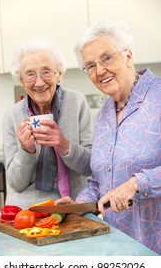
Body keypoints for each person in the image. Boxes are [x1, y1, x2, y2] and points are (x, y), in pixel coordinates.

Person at [56, 21, 161, 255]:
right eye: (90, 66)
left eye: (107, 58)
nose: (100, 70)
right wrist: (79, 205)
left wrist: (136, 184)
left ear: (128, 56)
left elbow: (131, 182)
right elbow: (100, 181)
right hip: (117, 249)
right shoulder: (104, 112)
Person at [3, 38, 93, 209]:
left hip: (72, 206)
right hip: (27, 211)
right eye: (30, 74)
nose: (39, 82)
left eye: (46, 72)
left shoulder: (77, 102)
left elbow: (90, 166)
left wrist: (64, 145)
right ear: (21, 80)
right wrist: (26, 151)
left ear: (59, 74)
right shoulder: (12, 116)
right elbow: (16, 183)